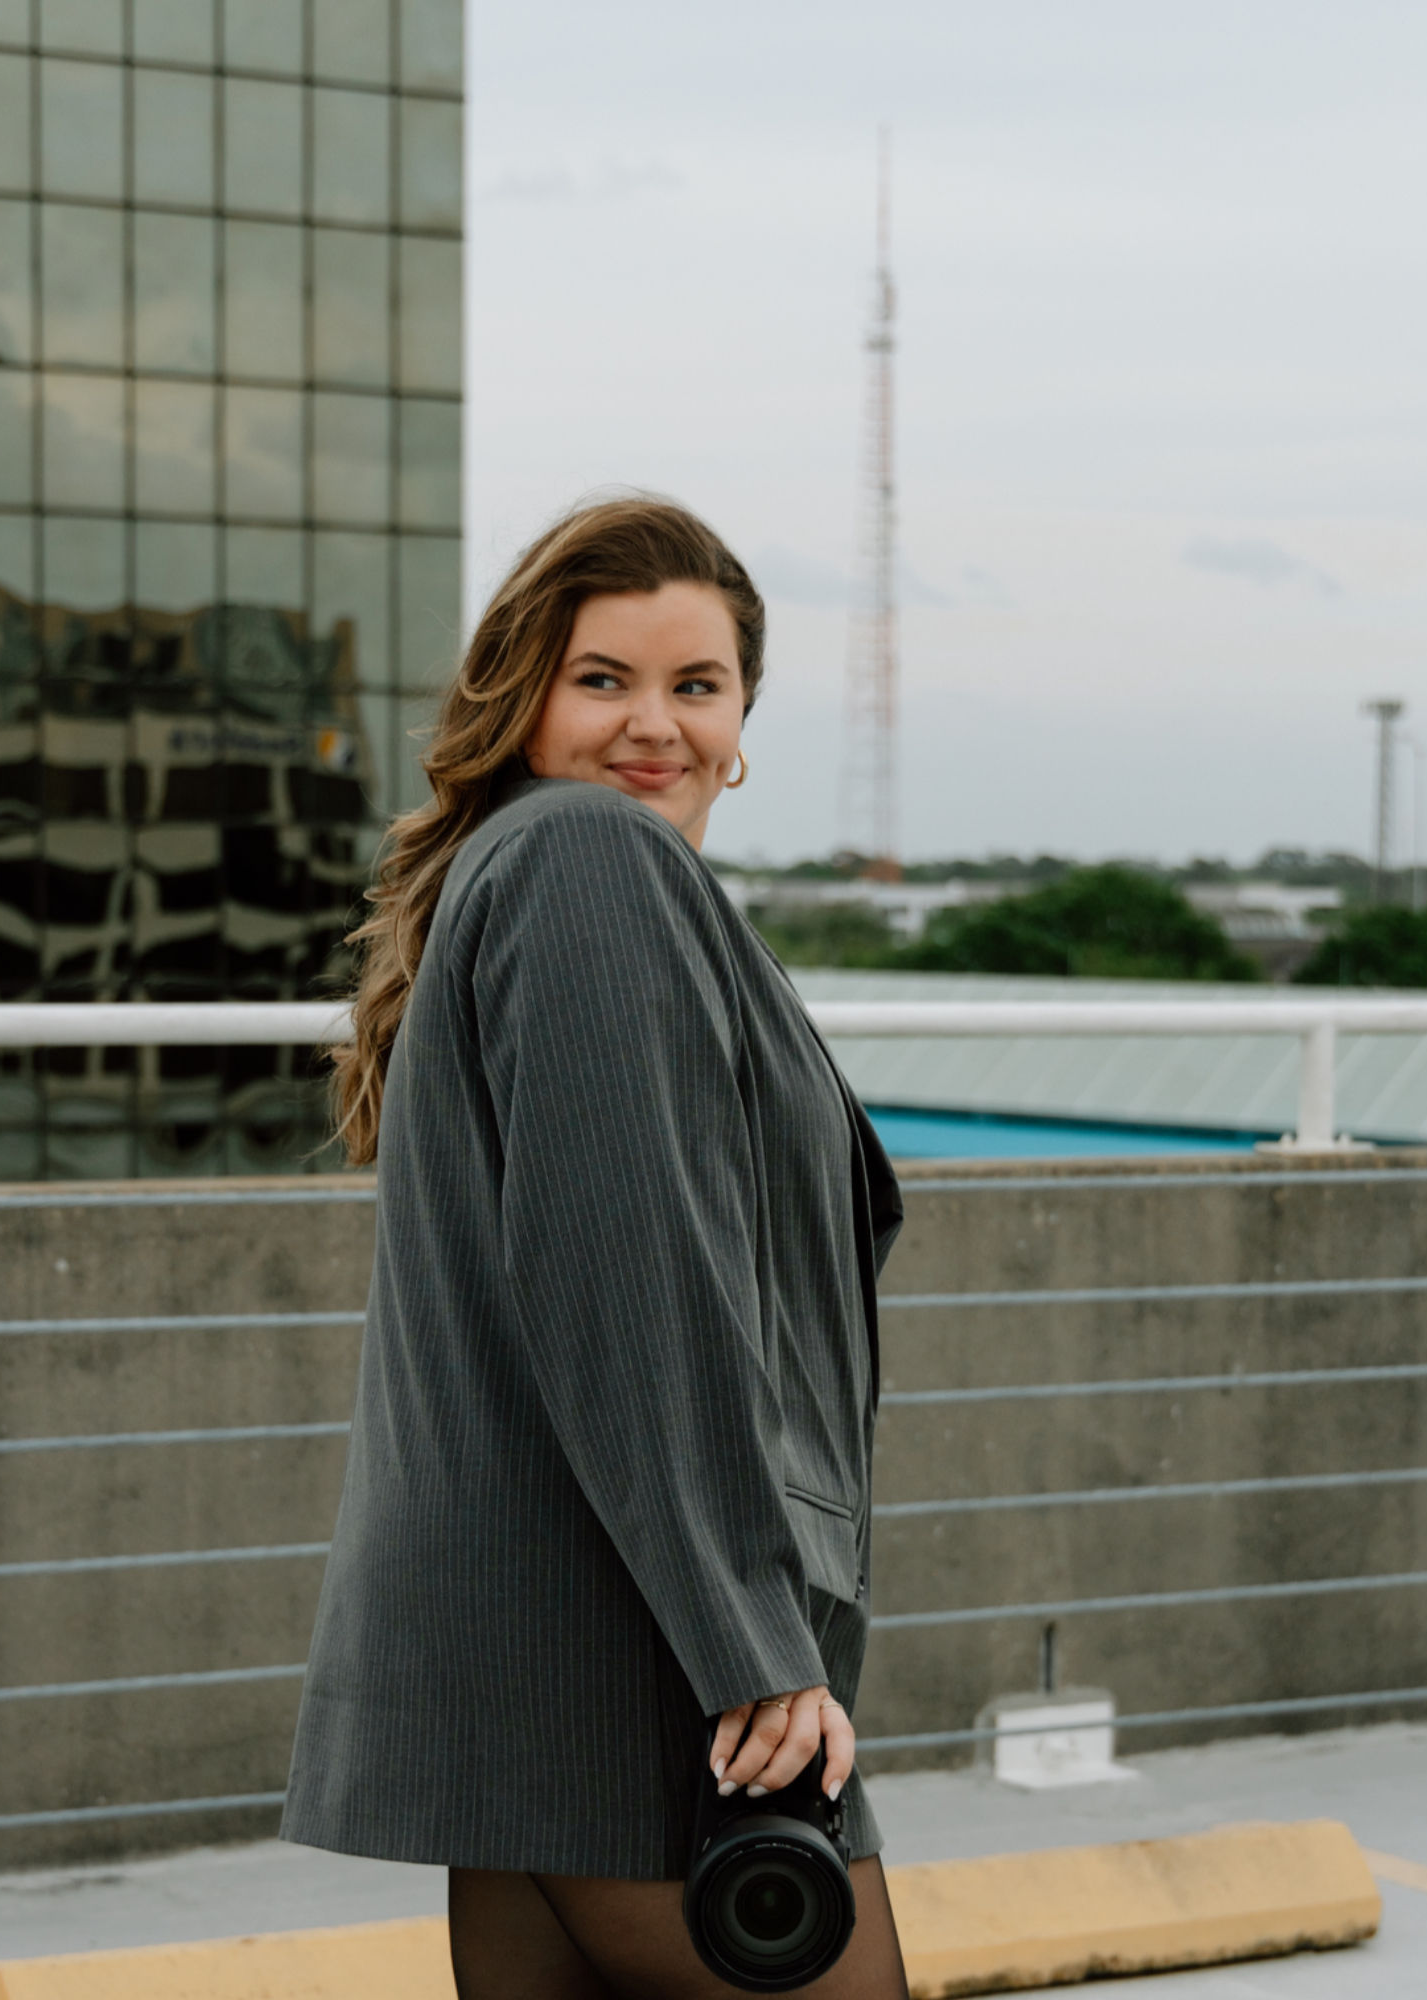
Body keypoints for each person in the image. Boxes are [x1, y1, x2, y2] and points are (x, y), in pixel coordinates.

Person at [283, 497, 909, 1998]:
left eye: (697, 685)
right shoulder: (584, 859)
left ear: (742, 719)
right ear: (525, 698)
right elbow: (633, 1290)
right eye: (603, 679)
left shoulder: (547, 868)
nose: (655, 725)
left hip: (536, 1645)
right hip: (636, 1655)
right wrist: (751, 1639)